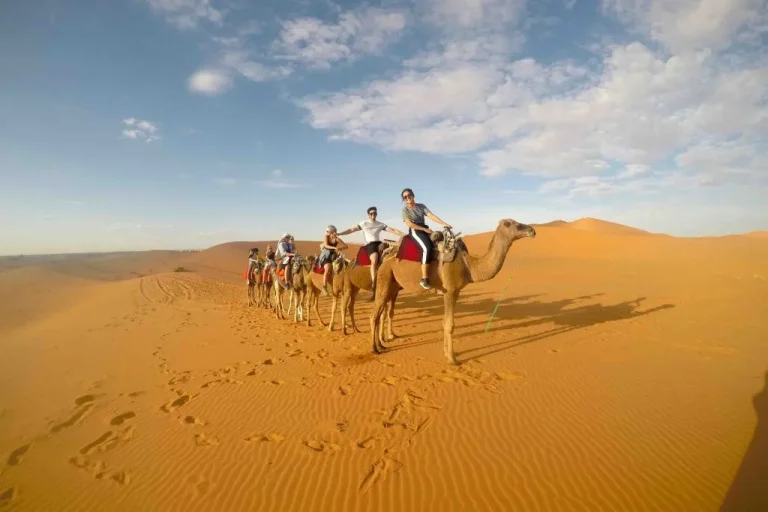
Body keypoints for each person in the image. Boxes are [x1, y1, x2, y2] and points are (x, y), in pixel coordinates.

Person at [337, 206, 406, 300]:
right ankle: (374, 283)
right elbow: (351, 230)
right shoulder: (364, 223)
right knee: (374, 259)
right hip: (370, 245)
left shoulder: (380, 224)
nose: (373, 215)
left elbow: (393, 230)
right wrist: (340, 234)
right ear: (368, 215)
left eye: (375, 213)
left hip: (379, 243)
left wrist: (404, 234)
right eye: (371, 213)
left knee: (393, 254)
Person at [401, 187, 452, 289]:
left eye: (409, 195)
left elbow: (431, 215)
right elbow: (409, 224)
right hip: (415, 230)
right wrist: (424, 229)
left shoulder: (421, 206)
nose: (407, 198)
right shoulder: (405, 210)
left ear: (413, 195)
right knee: (426, 248)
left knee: (440, 243)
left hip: (424, 229)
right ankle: (424, 279)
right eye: (405, 197)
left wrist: (444, 223)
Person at [317, 225, 348, 296]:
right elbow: (326, 245)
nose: (328, 233)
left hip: (333, 255)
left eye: (329, 232)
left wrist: (340, 248)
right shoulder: (326, 237)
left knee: (343, 266)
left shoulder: (337, 239)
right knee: (327, 268)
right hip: (326, 255)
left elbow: (346, 246)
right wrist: (334, 248)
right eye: (328, 232)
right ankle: (324, 287)